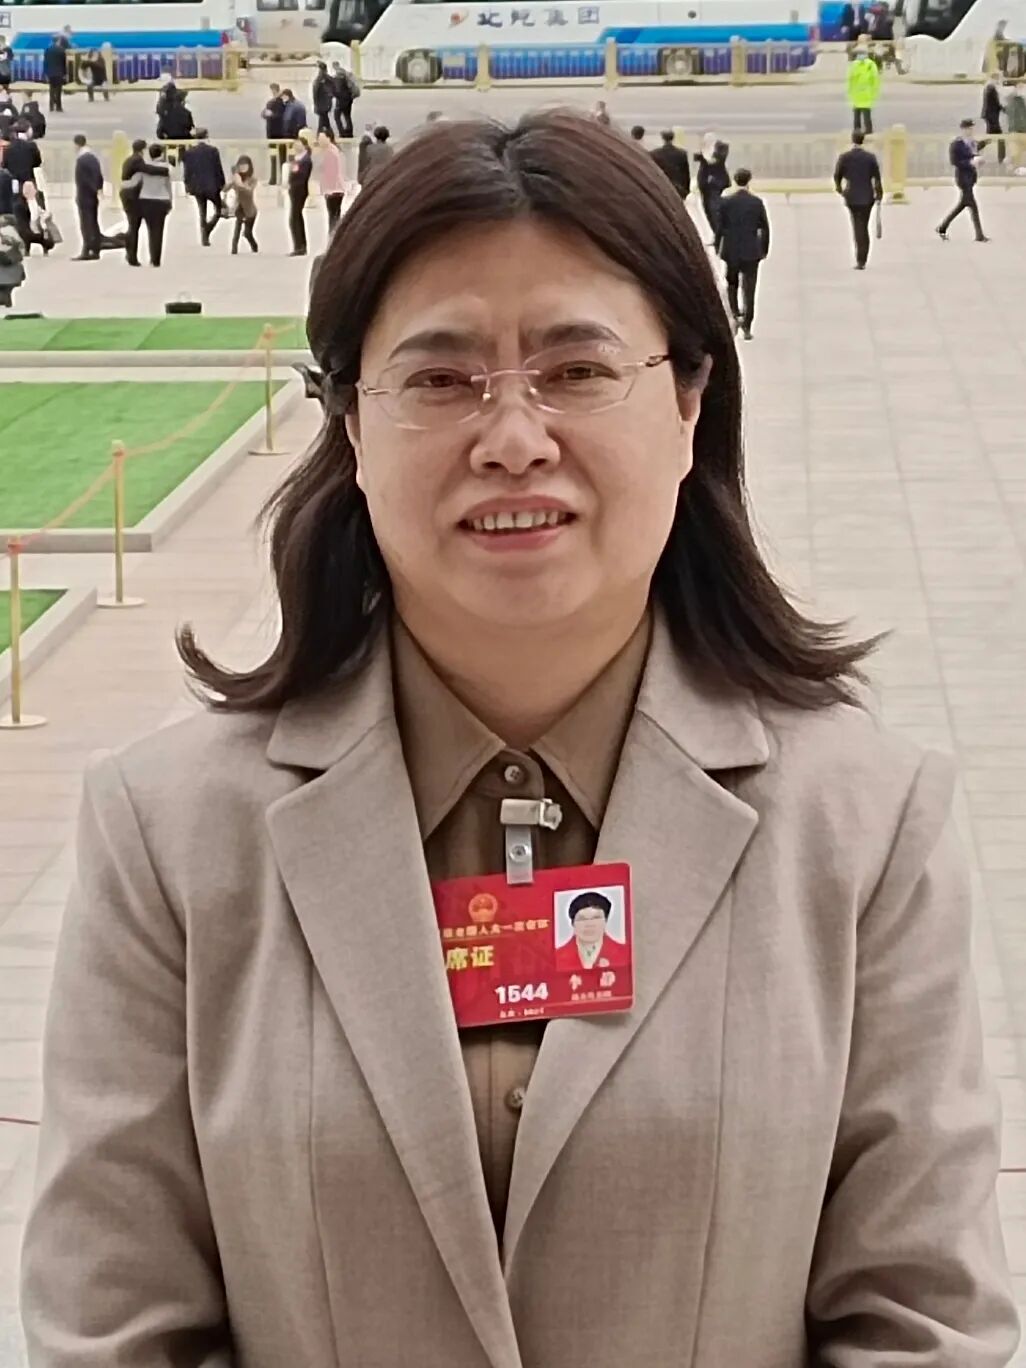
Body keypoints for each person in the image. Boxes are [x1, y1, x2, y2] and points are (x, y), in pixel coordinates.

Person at [20, 109, 1019, 1368]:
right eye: (440, 381)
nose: (512, 440)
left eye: (577, 370)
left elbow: (924, 1322)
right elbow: (112, 1327)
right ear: (350, 423)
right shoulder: (168, 836)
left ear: (689, 401)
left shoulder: (867, 827)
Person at [715, 167, 770, 339]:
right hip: (751, 250)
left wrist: (718, 247)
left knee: (731, 284)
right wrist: (764, 249)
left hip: (731, 250)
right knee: (749, 289)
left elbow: (719, 227)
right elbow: (765, 228)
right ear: (749, 181)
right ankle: (747, 324)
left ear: (734, 180)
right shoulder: (756, 202)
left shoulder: (725, 202)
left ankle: (735, 313)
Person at [833, 128, 883, 268]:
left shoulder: (845, 157)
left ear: (852, 139)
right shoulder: (870, 157)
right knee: (864, 226)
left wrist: (840, 189)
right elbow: (877, 178)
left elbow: (837, 176)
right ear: (863, 140)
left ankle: (859, 259)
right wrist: (879, 194)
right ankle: (862, 259)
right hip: (867, 196)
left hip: (852, 196)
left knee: (857, 226)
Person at [937, 117, 989, 242]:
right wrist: (970, 162)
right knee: (973, 206)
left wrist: (980, 156)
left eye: (972, 128)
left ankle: (942, 227)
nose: (970, 131)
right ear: (963, 129)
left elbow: (975, 152)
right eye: (968, 129)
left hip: (971, 178)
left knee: (963, 205)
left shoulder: (973, 143)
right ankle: (979, 235)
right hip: (963, 178)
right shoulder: (957, 144)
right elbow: (955, 161)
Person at [121, 143, 172, 267]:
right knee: (157, 231)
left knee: (136, 228)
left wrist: (123, 188)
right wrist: (170, 201)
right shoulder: (164, 167)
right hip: (161, 200)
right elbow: (168, 186)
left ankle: (132, 256)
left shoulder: (141, 167)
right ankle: (155, 260)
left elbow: (133, 182)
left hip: (144, 200)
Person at [554, 892, 629, 973]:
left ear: (606, 921)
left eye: (596, 918)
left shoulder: (625, 953)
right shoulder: (556, 957)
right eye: (582, 919)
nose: (589, 924)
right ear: (573, 924)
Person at [183, 128, 226, 247]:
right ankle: (207, 229)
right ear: (206, 136)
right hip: (212, 185)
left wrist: (187, 185)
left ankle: (204, 234)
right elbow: (218, 169)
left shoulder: (189, 152)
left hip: (197, 186)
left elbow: (187, 171)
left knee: (202, 211)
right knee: (219, 210)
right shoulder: (213, 151)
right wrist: (222, 183)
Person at [72, 132, 102, 261]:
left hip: (85, 196)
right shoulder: (93, 158)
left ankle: (87, 249)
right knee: (93, 222)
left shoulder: (82, 160)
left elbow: (82, 180)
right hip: (93, 195)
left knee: (86, 224)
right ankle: (95, 249)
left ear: (77, 145)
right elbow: (98, 176)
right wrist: (98, 189)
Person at [120, 136, 147, 267]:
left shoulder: (128, 160)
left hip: (126, 193)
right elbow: (148, 170)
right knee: (134, 226)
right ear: (143, 150)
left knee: (132, 225)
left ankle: (129, 250)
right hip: (132, 195)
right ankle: (132, 255)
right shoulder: (138, 161)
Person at [695, 136, 730, 239]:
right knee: (708, 210)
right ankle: (716, 234)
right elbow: (697, 157)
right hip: (705, 185)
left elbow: (714, 160)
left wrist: (704, 155)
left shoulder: (722, 148)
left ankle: (719, 234)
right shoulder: (706, 151)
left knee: (714, 210)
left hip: (715, 185)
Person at [847, 39, 881, 135]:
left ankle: (863, 131)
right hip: (861, 95)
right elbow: (850, 80)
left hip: (863, 95)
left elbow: (875, 80)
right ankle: (861, 131)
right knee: (859, 115)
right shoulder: (858, 65)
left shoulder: (869, 65)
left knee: (863, 115)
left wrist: (874, 92)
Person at [287, 135, 312, 256]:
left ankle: (300, 246)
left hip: (299, 190)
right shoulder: (297, 159)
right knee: (296, 217)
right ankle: (300, 245)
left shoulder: (305, 160)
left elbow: (301, 175)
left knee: (294, 218)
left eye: (298, 144)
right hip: (294, 190)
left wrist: (294, 169)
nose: (296, 146)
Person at [316, 129, 346, 232]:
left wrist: (328, 190)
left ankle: (333, 236)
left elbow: (331, 173)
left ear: (329, 138)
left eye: (322, 138)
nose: (319, 141)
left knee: (333, 216)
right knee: (335, 215)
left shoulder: (330, 152)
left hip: (333, 189)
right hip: (338, 188)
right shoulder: (333, 150)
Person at [230, 154, 259, 254]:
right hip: (240, 207)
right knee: (237, 228)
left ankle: (254, 246)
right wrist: (233, 179)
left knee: (247, 233)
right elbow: (225, 188)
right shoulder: (236, 177)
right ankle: (234, 248)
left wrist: (240, 184)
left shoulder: (252, 179)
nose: (243, 168)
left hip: (250, 210)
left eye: (245, 165)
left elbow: (249, 191)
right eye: (241, 165)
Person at [650, 128, 690, 199]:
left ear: (662, 138)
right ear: (673, 138)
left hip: (662, 187)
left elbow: (653, 173)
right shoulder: (682, 153)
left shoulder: (654, 154)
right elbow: (686, 173)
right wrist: (686, 190)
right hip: (678, 188)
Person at [1, 124, 41, 194]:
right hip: (28, 181)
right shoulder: (32, 146)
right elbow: (38, 162)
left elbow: (4, 164)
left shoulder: (8, 148)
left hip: (13, 181)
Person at [262, 82, 287, 187]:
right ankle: (273, 178)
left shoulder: (281, 103)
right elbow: (263, 113)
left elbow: (280, 116)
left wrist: (270, 115)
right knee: (273, 157)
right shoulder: (271, 102)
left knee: (282, 157)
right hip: (271, 134)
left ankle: (282, 178)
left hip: (279, 133)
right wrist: (266, 114)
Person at [0, 211, 26, 308]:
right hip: (14, 268)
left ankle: (4, 298)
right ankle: (5, 298)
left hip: (4, 267)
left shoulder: (5, 232)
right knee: (6, 288)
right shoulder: (14, 232)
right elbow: (21, 250)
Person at [981, 71, 1005, 167]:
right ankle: (1001, 158)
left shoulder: (989, 87)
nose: (1000, 80)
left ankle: (1001, 158)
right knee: (999, 138)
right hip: (991, 116)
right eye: (999, 78)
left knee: (992, 137)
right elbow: (995, 103)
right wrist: (1004, 109)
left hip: (990, 116)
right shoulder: (991, 88)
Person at [331, 61, 359, 139]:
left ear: (334, 66)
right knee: (347, 116)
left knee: (336, 116)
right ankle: (349, 132)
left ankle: (342, 132)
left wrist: (333, 94)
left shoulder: (338, 76)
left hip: (341, 100)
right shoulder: (345, 73)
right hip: (349, 98)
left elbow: (338, 90)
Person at [1006, 77, 1026, 172]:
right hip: (1017, 132)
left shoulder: (1012, 101)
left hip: (1015, 132)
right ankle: (1014, 167)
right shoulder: (1015, 101)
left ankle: (1014, 167)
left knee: (1016, 156)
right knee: (1016, 156)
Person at [43, 36, 66, 114]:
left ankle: (51, 106)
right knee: (58, 90)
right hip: (59, 72)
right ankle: (58, 107)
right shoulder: (61, 50)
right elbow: (63, 63)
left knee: (51, 89)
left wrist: (45, 73)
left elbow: (45, 62)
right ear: (58, 41)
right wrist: (65, 73)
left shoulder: (47, 50)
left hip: (50, 73)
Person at [312, 61, 334, 138]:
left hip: (321, 104)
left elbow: (315, 93)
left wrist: (315, 104)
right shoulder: (329, 78)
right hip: (326, 103)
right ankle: (328, 135)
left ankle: (320, 135)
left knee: (322, 121)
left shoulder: (319, 79)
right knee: (324, 120)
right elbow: (333, 90)